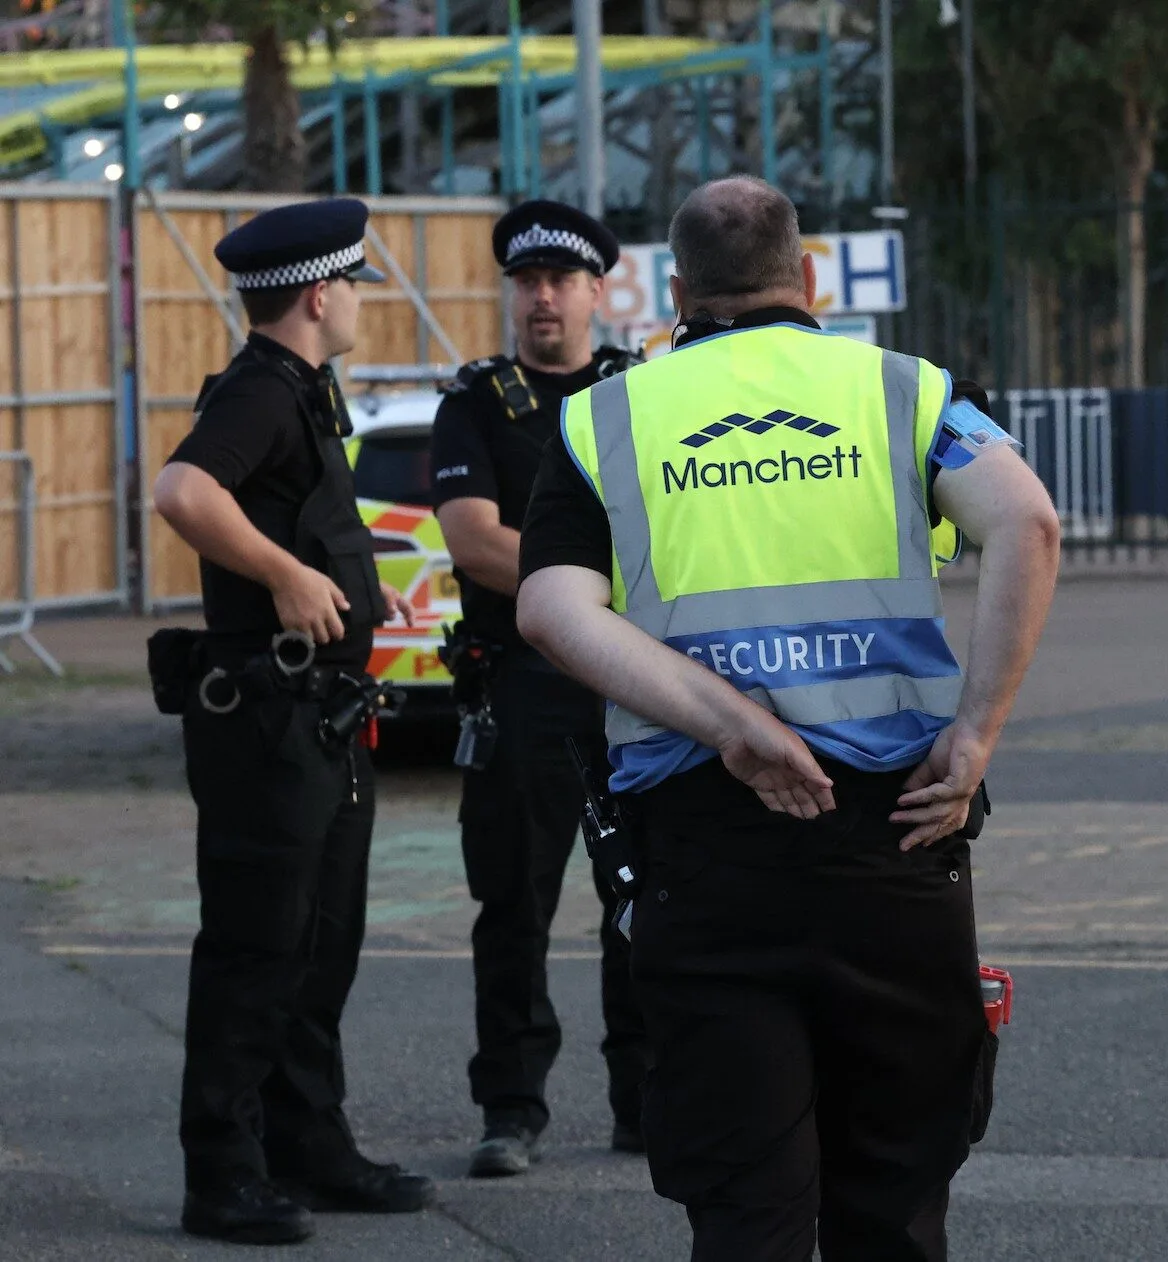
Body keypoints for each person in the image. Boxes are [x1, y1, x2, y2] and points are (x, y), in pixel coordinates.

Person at [514, 176, 1062, 1261]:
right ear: (803, 275)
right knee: (894, 1202)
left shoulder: (607, 416)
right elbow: (1029, 525)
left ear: (673, 287)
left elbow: (548, 610)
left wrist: (728, 722)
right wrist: (974, 731)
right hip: (899, 836)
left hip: (707, 850)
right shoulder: (902, 390)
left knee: (747, 1210)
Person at [152, 198, 432, 1246]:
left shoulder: (303, 393)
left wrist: (357, 593)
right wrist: (280, 578)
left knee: (321, 945)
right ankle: (221, 1171)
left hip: (317, 716)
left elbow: (298, 519)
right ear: (321, 294)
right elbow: (183, 490)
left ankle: (307, 1141)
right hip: (266, 721)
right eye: (352, 282)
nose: (357, 298)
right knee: (256, 948)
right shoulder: (260, 392)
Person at [429, 198, 649, 1177]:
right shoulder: (476, 402)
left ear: (598, 291)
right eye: (527, 282)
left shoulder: (638, 392)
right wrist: (591, 586)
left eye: (561, 280)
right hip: (521, 686)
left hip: (630, 684)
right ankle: (508, 1108)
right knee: (513, 902)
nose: (543, 298)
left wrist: (570, 589)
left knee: (640, 895)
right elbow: (473, 540)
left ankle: (644, 1099)